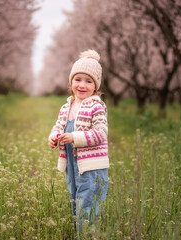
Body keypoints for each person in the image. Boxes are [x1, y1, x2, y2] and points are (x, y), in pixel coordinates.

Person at [48, 49, 109, 232]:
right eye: (78, 79)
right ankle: (79, 232)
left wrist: (74, 137)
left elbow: (100, 133)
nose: (82, 85)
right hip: (72, 164)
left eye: (88, 81)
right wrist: (53, 137)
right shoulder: (67, 105)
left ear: (95, 86)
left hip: (90, 165)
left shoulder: (96, 105)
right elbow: (58, 126)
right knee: (75, 198)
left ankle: (86, 235)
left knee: (88, 200)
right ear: (71, 82)